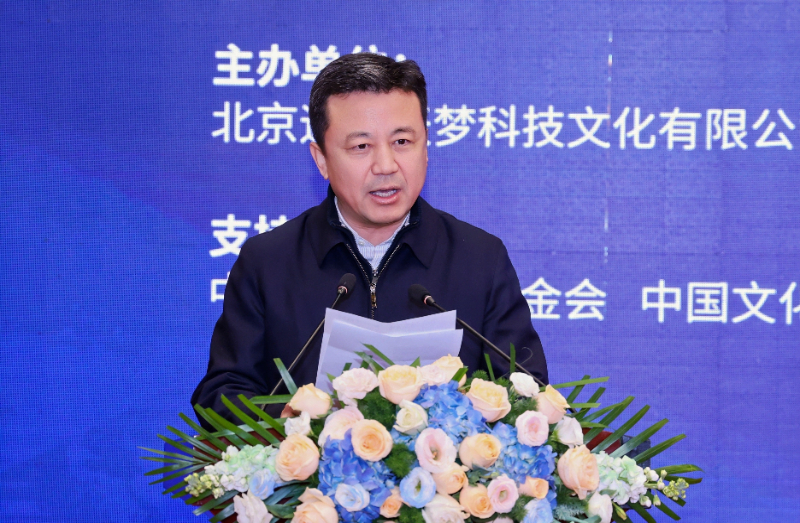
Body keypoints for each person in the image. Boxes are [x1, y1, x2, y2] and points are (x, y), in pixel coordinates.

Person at [191, 54, 547, 426]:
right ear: (321, 159)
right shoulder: (268, 262)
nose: (386, 165)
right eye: (361, 146)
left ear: (426, 147)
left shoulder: (480, 259)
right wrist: (290, 421)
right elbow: (221, 394)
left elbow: (528, 391)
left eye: (402, 141)